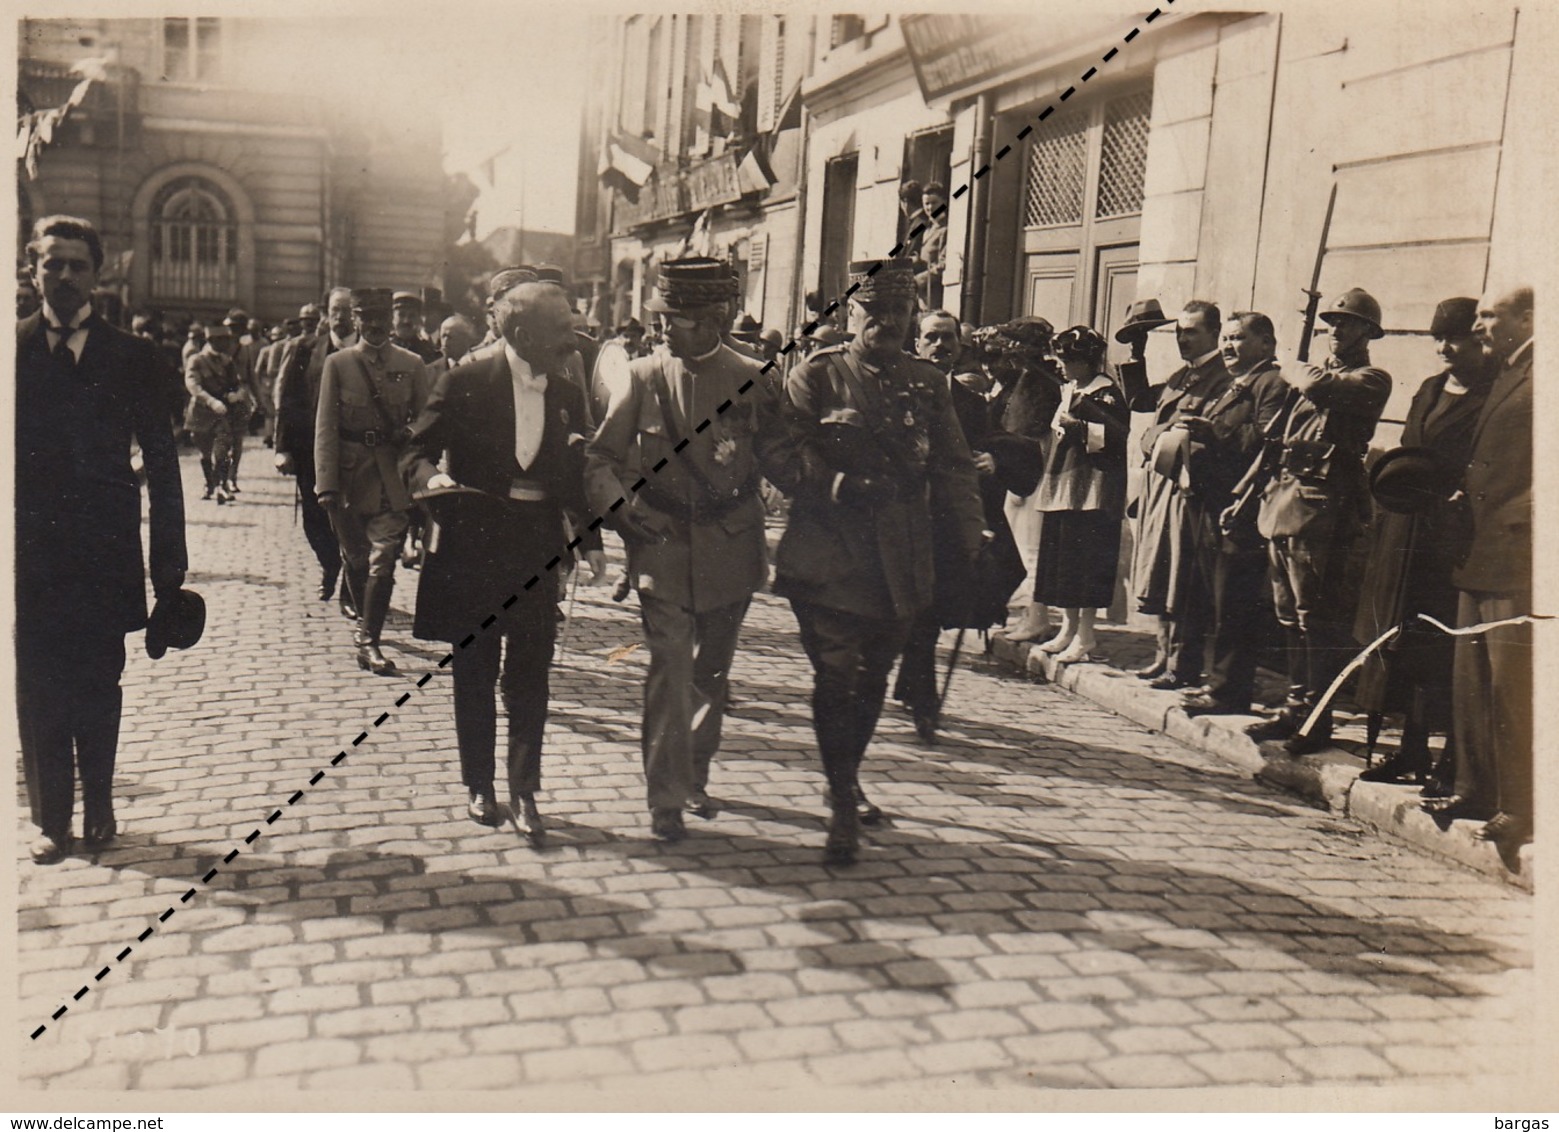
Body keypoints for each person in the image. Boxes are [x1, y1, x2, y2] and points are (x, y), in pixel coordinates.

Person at [763, 258, 984, 865]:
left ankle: (847, 775)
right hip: (829, 552)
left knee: (875, 678)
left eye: (899, 311)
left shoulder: (928, 382)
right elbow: (781, 452)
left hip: (901, 556)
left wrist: (970, 536)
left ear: (913, 315)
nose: (885, 322)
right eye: (873, 311)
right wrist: (835, 484)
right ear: (851, 312)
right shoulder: (818, 376)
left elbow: (953, 464)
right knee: (836, 674)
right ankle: (840, 801)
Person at [401, 279, 606, 841]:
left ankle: (524, 790)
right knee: (474, 669)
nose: (573, 339)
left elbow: (574, 480)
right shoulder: (465, 380)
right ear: (522, 333)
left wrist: (590, 542)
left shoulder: (564, 392)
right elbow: (414, 450)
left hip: (536, 547)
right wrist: (434, 481)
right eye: (562, 329)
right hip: (474, 544)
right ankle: (480, 785)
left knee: (531, 673)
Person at [16, 215, 189, 863]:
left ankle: (100, 800)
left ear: (98, 273)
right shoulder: (12, 348)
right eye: (51, 263)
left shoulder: (133, 355)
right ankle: (50, 818)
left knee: (96, 679)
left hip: (103, 547)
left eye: (76, 265)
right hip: (28, 552)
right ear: (33, 269)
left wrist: (169, 570)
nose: (63, 275)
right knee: (36, 681)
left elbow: (164, 464)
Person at [586, 257, 770, 842]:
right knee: (669, 667)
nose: (666, 327)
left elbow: (784, 455)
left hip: (732, 545)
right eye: (664, 317)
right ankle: (663, 797)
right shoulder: (642, 377)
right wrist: (621, 515)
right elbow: (600, 459)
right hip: (661, 543)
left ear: (716, 318)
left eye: (681, 319)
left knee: (711, 673)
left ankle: (694, 773)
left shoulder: (757, 376)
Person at [1349, 298, 1494, 781]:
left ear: (1479, 340)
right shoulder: (1431, 388)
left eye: (1455, 337)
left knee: (1440, 649)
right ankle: (1409, 750)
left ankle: (1449, 758)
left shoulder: (1490, 394)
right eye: (1438, 337)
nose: (1444, 347)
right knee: (1401, 640)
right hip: (1404, 532)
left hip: (1448, 539)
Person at [1247, 288, 1392, 753]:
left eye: (1346, 324)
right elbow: (1279, 435)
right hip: (1286, 498)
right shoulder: (1319, 375)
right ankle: (1295, 707)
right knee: (1288, 614)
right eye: (1331, 323)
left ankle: (1317, 718)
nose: (1335, 331)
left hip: (1323, 506)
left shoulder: (1371, 378)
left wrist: (1293, 366)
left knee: (1315, 617)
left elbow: (1318, 388)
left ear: (1368, 332)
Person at [1426, 285, 1533, 850]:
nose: (1482, 324)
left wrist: (1522, 519)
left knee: (1510, 685)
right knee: (1471, 679)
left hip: (1516, 551)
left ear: (1529, 316)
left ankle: (1518, 806)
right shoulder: (1508, 371)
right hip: (1479, 545)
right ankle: (1474, 788)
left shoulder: (1542, 372)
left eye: (1493, 314)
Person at [892, 309, 1024, 743]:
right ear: (916, 344)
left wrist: (993, 459)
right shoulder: (896, 392)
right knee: (907, 609)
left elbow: (993, 442)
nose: (940, 346)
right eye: (931, 337)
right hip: (900, 514)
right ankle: (914, 683)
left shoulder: (970, 402)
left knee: (930, 608)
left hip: (947, 520)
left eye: (948, 338)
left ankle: (923, 696)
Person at [315, 288, 431, 676]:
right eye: (368, 317)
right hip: (348, 478)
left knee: (384, 560)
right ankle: (365, 624)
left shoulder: (412, 364)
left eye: (383, 317)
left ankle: (369, 641)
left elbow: (428, 418)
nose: (377, 324)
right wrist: (326, 485)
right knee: (357, 558)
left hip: (390, 476)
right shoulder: (339, 363)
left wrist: (411, 431)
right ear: (358, 319)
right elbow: (326, 427)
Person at [1179, 312, 1290, 717]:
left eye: (1239, 338)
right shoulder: (1234, 386)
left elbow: (1264, 445)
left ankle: (1230, 691)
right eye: (1225, 339)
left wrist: (1212, 433)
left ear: (1266, 344)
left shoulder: (1270, 385)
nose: (1228, 346)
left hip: (1241, 510)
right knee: (1219, 600)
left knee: (1236, 603)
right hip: (1214, 502)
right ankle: (1220, 683)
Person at [1122, 300, 1231, 687]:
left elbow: (1198, 435)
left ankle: (1182, 664)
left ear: (1214, 334)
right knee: (1160, 567)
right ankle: (1162, 653)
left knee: (1181, 576)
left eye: (1192, 331)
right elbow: (1144, 407)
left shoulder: (1223, 379)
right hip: (1161, 485)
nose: (1183, 339)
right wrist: (1137, 350)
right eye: (1180, 331)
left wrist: (1155, 439)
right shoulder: (1180, 376)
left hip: (1187, 489)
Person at [1030, 326, 1130, 662]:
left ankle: (1086, 635)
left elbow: (1117, 438)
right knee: (1065, 562)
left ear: (1086, 362)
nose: (1061, 365)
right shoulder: (1070, 388)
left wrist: (1081, 428)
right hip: (1065, 484)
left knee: (1087, 562)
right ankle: (1068, 629)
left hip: (1093, 489)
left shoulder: (1107, 394)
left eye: (1067, 360)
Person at [978, 320, 1064, 643]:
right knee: (1024, 544)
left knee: (1033, 548)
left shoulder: (1039, 384)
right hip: (1021, 470)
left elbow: (1027, 430)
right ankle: (1031, 614)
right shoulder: (1026, 380)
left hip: (1036, 472)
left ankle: (1038, 617)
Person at [275, 292, 352, 608]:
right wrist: (282, 448)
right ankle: (332, 564)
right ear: (327, 313)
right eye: (335, 310)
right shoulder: (305, 349)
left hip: (353, 449)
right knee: (313, 518)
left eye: (346, 311)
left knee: (352, 519)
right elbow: (289, 400)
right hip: (310, 448)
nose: (340, 316)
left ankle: (350, 587)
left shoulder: (365, 351)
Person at [184, 319, 245, 504]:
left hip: (222, 414)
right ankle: (209, 484)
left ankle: (221, 485)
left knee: (222, 450)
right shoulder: (197, 360)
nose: (227, 344)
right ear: (212, 340)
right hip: (201, 413)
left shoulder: (227, 361)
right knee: (204, 453)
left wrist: (238, 394)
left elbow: (237, 383)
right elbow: (192, 384)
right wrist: (211, 401)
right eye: (223, 340)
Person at [915, 182, 949, 309]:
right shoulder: (928, 228)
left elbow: (942, 265)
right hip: (923, 295)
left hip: (935, 294)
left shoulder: (945, 229)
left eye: (934, 203)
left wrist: (918, 280)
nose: (930, 208)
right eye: (926, 204)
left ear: (944, 202)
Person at [392, 290, 443, 364]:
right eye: (401, 315)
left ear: (419, 319)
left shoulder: (429, 352)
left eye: (412, 316)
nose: (406, 321)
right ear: (392, 318)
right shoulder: (383, 349)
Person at [432, 314, 479, 379]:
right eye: (443, 336)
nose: (445, 342)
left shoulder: (480, 366)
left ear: (466, 338)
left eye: (450, 337)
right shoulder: (429, 371)